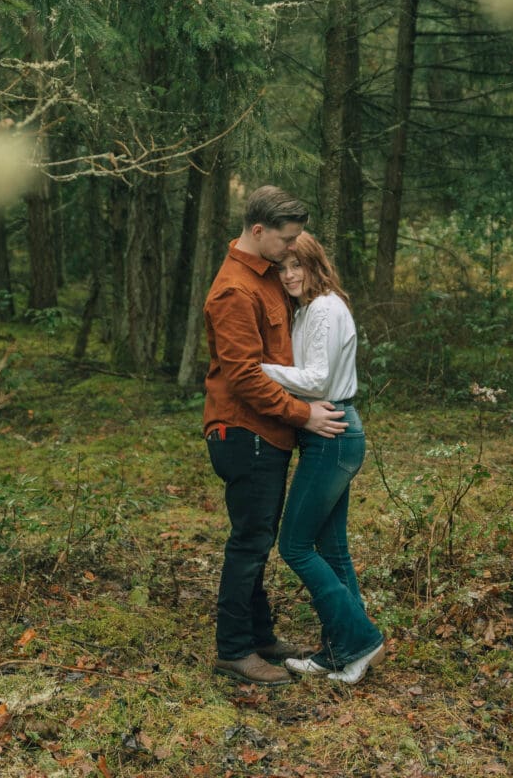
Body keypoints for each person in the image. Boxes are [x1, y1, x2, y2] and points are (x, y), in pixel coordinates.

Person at [203, 186, 348, 685]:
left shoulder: (263, 276)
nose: (292, 250)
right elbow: (243, 376)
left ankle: (261, 637)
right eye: (286, 240)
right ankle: (234, 650)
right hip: (245, 433)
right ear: (258, 231)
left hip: (267, 431)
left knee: (258, 539)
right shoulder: (233, 290)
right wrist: (303, 414)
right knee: (249, 542)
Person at [262, 232, 385, 685]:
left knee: (294, 544)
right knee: (332, 548)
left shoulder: (325, 309)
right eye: (283, 267)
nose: (290, 275)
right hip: (327, 432)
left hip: (332, 432)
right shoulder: (309, 310)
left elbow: (315, 380)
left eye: (298, 266)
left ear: (316, 265)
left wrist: (255, 367)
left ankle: (360, 638)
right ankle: (343, 651)